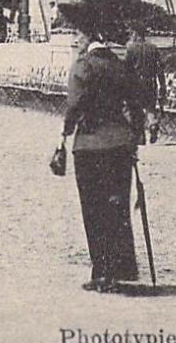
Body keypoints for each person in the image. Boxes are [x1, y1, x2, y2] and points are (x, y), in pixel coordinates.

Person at [58, 16, 149, 292]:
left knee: (94, 209)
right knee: (118, 207)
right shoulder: (120, 66)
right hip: (120, 146)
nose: (75, 40)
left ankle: (102, 272)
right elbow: (136, 105)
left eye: (78, 34)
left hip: (90, 146)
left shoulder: (83, 66)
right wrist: (134, 137)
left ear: (90, 37)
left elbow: (74, 105)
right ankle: (121, 271)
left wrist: (65, 132)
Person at [123, 24, 165, 142]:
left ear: (136, 34)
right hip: (150, 82)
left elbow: (126, 68)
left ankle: (140, 137)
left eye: (132, 33)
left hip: (136, 84)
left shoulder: (131, 48)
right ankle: (152, 124)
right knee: (150, 108)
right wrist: (162, 86)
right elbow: (160, 69)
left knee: (136, 110)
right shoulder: (153, 48)